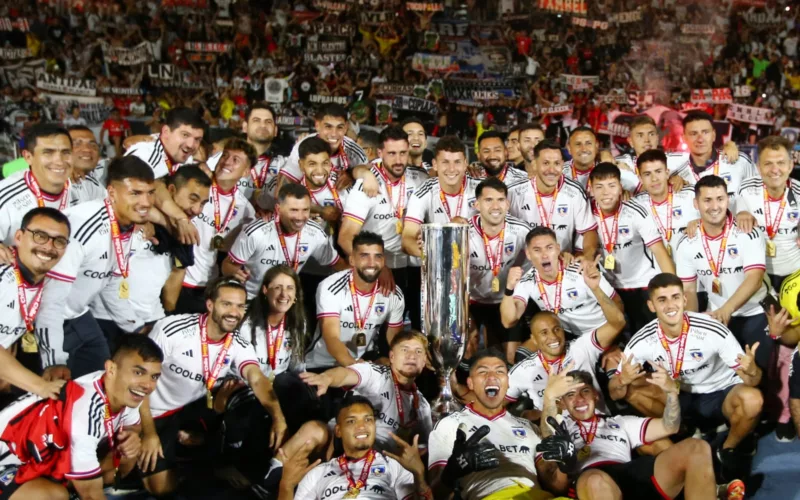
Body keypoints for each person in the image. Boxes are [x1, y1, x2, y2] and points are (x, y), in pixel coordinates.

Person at [137, 278, 287, 497]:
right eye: (227, 304)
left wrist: (278, 417)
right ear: (210, 305)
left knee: (246, 399)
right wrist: (149, 433)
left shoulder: (238, 343)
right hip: (150, 410)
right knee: (160, 487)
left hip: (189, 409)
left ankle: (215, 462)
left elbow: (257, 379)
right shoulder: (172, 330)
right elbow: (138, 382)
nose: (234, 312)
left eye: (239, 306)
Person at [609, 273, 763, 480]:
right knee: (631, 390)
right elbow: (614, 393)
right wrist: (622, 380)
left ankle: (726, 450)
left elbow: (753, 382)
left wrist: (752, 370)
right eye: (662, 300)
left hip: (720, 392)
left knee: (754, 399)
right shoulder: (641, 340)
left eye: (675, 297)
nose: (670, 305)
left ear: (684, 299)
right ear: (651, 305)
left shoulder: (711, 328)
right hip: (679, 395)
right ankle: (683, 430)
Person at [34, 156, 156, 379]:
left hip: (79, 315)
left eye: (150, 192)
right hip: (45, 318)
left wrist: (136, 328)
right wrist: (53, 360)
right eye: (135, 193)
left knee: (102, 381)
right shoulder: (82, 227)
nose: (146, 202)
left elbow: (109, 282)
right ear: (111, 193)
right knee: (46, 394)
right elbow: (49, 299)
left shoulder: (126, 225)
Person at [0, 334, 163, 500]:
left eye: (154, 377)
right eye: (138, 372)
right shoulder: (84, 410)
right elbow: (91, 496)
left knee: (127, 453)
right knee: (55, 496)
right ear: (111, 369)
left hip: (40, 460)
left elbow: (132, 426)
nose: (147, 385)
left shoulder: (123, 390)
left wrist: (132, 436)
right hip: (6, 463)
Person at [537, 369, 723, 500]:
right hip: (590, 478)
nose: (579, 398)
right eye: (570, 395)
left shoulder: (619, 421)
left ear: (595, 395)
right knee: (595, 480)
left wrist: (672, 395)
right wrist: (548, 398)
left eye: (585, 391)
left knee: (697, 447)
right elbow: (548, 435)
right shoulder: (561, 426)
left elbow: (670, 427)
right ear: (562, 403)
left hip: (629, 472)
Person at [90, 165, 210, 343]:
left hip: (151, 320)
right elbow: (156, 186)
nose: (197, 210)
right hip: (107, 316)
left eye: (202, 204)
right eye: (193, 199)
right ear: (171, 190)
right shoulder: (130, 217)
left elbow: (170, 299)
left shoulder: (184, 235)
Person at [506, 254, 626, 419]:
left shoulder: (581, 348)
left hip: (599, 426)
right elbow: (494, 404)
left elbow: (617, 322)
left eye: (557, 329)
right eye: (544, 333)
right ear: (533, 339)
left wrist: (596, 289)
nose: (553, 337)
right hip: (557, 432)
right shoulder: (523, 371)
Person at [675, 175, 771, 370]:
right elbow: (689, 290)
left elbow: (755, 279)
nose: (715, 206)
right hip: (716, 316)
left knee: (758, 375)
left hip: (754, 314)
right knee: (727, 379)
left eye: (720, 199)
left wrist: (726, 310)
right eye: (707, 200)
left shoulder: (748, 232)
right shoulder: (686, 241)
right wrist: (693, 323)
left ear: (728, 199)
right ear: (696, 203)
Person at [427, 351, 553, 500]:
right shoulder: (449, 425)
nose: (492, 376)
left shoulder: (529, 427)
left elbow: (555, 483)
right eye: (483, 371)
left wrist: (567, 464)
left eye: (499, 371)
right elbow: (434, 494)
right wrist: (453, 470)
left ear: (508, 382)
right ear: (470, 383)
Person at [339, 125, 429, 330]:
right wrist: (377, 266)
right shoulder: (366, 185)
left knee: (421, 332)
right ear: (380, 153)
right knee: (384, 337)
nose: (398, 160)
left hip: (418, 267)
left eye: (403, 153)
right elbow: (345, 238)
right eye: (392, 154)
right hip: (384, 270)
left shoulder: (420, 178)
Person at [301, 330, 432, 452]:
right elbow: (346, 374)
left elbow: (425, 447)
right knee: (313, 430)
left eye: (418, 351)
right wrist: (327, 378)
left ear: (424, 361)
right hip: (340, 445)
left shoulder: (422, 406)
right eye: (405, 350)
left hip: (381, 464)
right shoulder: (375, 373)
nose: (412, 356)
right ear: (392, 356)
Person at [280, 395, 433, 499]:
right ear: (338, 431)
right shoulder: (318, 473)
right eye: (351, 421)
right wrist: (286, 486)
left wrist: (419, 475)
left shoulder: (394, 466)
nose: (362, 426)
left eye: (368, 419)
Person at [589, 162, 674, 333]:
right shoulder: (586, 213)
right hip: (607, 287)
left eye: (612, 186)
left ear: (621, 188)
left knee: (651, 336)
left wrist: (672, 288)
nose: (606, 193)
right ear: (590, 189)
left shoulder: (636, 212)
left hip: (641, 284)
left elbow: (659, 251)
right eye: (599, 187)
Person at [176, 139, 256, 314]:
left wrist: (236, 270)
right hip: (175, 277)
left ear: (246, 172)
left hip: (207, 285)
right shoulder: (195, 183)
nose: (227, 161)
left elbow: (230, 253)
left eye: (236, 160)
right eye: (225, 155)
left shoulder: (245, 211)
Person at [223, 182, 343, 299]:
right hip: (252, 298)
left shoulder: (315, 233)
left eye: (305, 210)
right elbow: (227, 266)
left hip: (286, 299)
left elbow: (337, 263)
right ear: (278, 209)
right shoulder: (256, 233)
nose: (300, 217)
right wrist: (234, 272)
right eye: (294, 210)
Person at [306, 231, 405, 370]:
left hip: (365, 363)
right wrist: (355, 368)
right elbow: (331, 337)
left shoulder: (394, 294)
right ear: (352, 260)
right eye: (364, 256)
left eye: (377, 256)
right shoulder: (330, 287)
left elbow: (396, 340)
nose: (371, 263)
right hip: (323, 365)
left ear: (384, 261)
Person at [0, 208, 71, 399]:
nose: (49, 247)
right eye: (40, 236)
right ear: (18, 237)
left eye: (59, 241)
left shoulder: (47, 284)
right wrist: (40, 386)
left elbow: (50, 320)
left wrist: (54, 363)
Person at [502, 226, 622, 337]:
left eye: (549, 248)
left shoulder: (581, 271)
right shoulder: (526, 281)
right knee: (523, 353)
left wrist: (611, 335)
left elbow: (618, 304)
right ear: (528, 254)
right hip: (566, 335)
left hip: (600, 329)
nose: (544, 255)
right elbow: (508, 321)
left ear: (558, 249)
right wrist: (509, 288)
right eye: (537, 250)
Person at [466, 177, 529, 360]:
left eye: (500, 200)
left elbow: (535, 262)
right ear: (477, 204)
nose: (496, 206)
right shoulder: (463, 231)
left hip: (504, 299)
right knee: (467, 347)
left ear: (508, 204)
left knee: (511, 356)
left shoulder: (521, 231)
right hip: (471, 301)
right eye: (488, 200)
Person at [125, 107, 205, 246]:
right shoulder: (146, 153)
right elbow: (134, 198)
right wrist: (177, 221)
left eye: (197, 139)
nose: (191, 145)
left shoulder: (186, 159)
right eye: (185, 135)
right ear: (166, 132)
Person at [508, 139, 599, 256]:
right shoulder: (513, 192)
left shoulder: (575, 192)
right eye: (546, 163)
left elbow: (589, 231)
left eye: (556, 163)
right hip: (522, 270)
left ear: (562, 164)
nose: (551, 170)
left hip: (560, 266)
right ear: (534, 164)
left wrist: (586, 258)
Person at [0, 124, 84, 247]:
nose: (59, 161)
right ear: (28, 157)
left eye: (66, 152)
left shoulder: (86, 187)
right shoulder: (4, 196)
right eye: (48, 152)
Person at [402, 135, 479, 258]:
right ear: (435, 164)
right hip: (440, 266)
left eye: (457, 162)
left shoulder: (480, 189)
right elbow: (408, 238)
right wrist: (435, 250)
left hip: (477, 266)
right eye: (445, 162)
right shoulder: (424, 192)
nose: (452, 169)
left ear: (465, 164)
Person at [671, 111, 759, 213]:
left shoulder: (740, 162)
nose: (700, 139)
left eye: (705, 132)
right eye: (693, 134)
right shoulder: (677, 173)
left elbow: (760, 197)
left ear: (713, 135)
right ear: (684, 138)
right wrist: (669, 180)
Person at [206, 102, 287, 203]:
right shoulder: (221, 157)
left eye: (268, 122)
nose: (263, 125)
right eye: (256, 120)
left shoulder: (284, 164)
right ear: (244, 126)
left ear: (275, 131)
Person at [280, 103, 368, 185]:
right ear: (317, 125)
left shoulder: (353, 150)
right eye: (328, 127)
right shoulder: (303, 145)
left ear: (346, 127)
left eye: (340, 127)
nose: (334, 134)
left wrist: (351, 176)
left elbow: (368, 173)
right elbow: (285, 185)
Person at [633, 149, 699, 254]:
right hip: (657, 270)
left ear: (667, 173)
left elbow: (720, 218)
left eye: (658, 171)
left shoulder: (691, 194)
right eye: (647, 174)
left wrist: (702, 222)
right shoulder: (636, 205)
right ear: (640, 178)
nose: (654, 179)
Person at [563, 127, 640, 193]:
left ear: (596, 146)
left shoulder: (612, 167)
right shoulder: (560, 174)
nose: (584, 149)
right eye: (578, 144)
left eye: (588, 143)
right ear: (569, 148)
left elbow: (641, 188)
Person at [66, 126, 107, 204]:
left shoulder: (102, 173)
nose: (87, 149)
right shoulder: (51, 184)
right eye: (77, 144)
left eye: (93, 145)